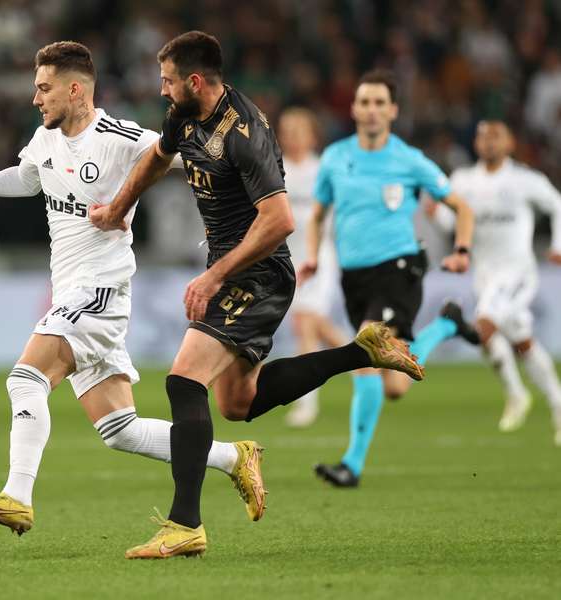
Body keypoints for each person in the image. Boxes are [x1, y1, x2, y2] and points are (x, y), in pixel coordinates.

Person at [90, 31, 423, 559]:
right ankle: (362, 352)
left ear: (194, 81)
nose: (162, 90)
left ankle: (185, 524)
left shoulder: (245, 133)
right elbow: (158, 157)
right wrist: (115, 208)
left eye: (168, 80)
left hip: (258, 272)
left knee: (183, 381)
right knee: (237, 403)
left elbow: (280, 220)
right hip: (236, 268)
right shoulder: (185, 113)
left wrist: (214, 275)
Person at [0, 41, 262, 537]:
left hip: (99, 292)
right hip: (71, 294)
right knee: (120, 430)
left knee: (24, 380)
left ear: (75, 89)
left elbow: (188, 160)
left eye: (44, 88)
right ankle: (233, 457)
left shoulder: (119, 137)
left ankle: (16, 496)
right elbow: (28, 179)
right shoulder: (45, 138)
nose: (36, 98)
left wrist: (242, 199)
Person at [301, 69, 478, 488]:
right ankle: (447, 324)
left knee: (365, 349)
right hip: (354, 277)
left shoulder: (409, 159)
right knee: (394, 385)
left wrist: (462, 251)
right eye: (365, 102)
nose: (372, 109)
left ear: (394, 110)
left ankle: (352, 465)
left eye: (380, 102)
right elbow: (318, 215)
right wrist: (311, 256)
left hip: (398, 269)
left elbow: (461, 207)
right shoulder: (335, 157)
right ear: (354, 108)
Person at [428, 120, 561, 444]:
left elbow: (557, 204)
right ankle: (555, 403)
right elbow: (451, 221)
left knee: (483, 327)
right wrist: (436, 212)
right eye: (483, 136)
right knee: (521, 339)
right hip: (484, 273)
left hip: (517, 272)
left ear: (510, 143)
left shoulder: (525, 179)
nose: (489, 142)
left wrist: (558, 245)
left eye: (496, 136)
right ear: (476, 144)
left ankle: (515, 392)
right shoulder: (463, 180)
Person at [278, 107, 349, 428]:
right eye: (287, 130)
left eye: (298, 130)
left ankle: (306, 403)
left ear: (312, 135)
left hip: (318, 258)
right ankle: (364, 358)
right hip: (285, 260)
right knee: (312, 325)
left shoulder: (325, 170)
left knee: (305, 324)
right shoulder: (274, 170)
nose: (292, 136)